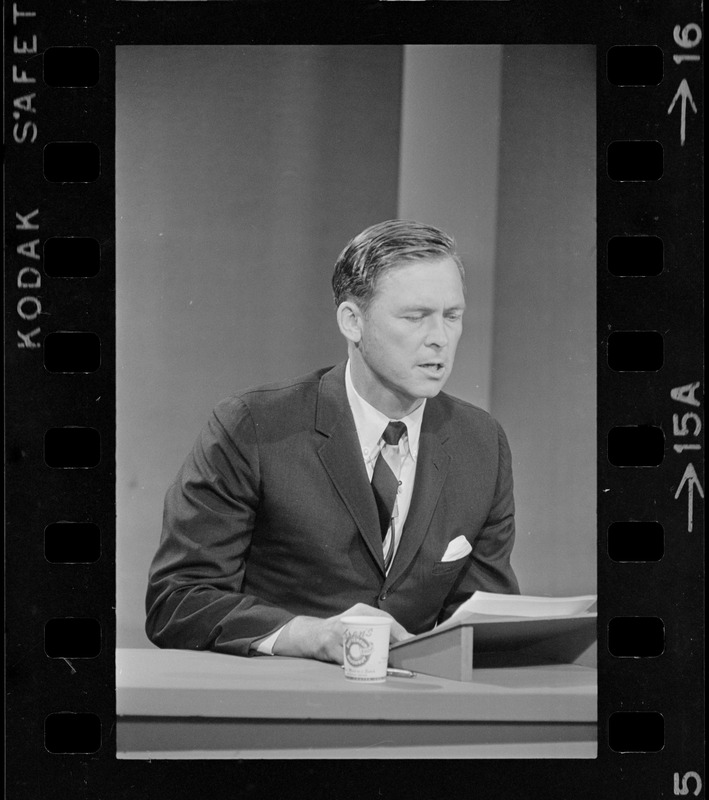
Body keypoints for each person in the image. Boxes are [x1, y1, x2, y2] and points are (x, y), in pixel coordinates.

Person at [145, 219, 519, 664]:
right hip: (278, 708)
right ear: (352, 321)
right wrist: (311, 636)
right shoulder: (255, 427)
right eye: (415, 317)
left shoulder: (482, 445)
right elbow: (178, 600)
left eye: (452, 317)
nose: (440, 338)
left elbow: (484, 628)